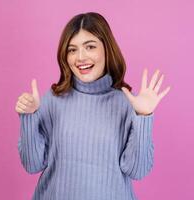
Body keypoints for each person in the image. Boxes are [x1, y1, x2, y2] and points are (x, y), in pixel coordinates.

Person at [15, 12, 170, 200]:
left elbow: (137, 171)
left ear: (107, 49)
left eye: (90, 47)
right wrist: (29, 116)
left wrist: (144, 116)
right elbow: (32, 165)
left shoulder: (127, 104)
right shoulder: (53, 100)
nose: (81, 57)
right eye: (72, 50)